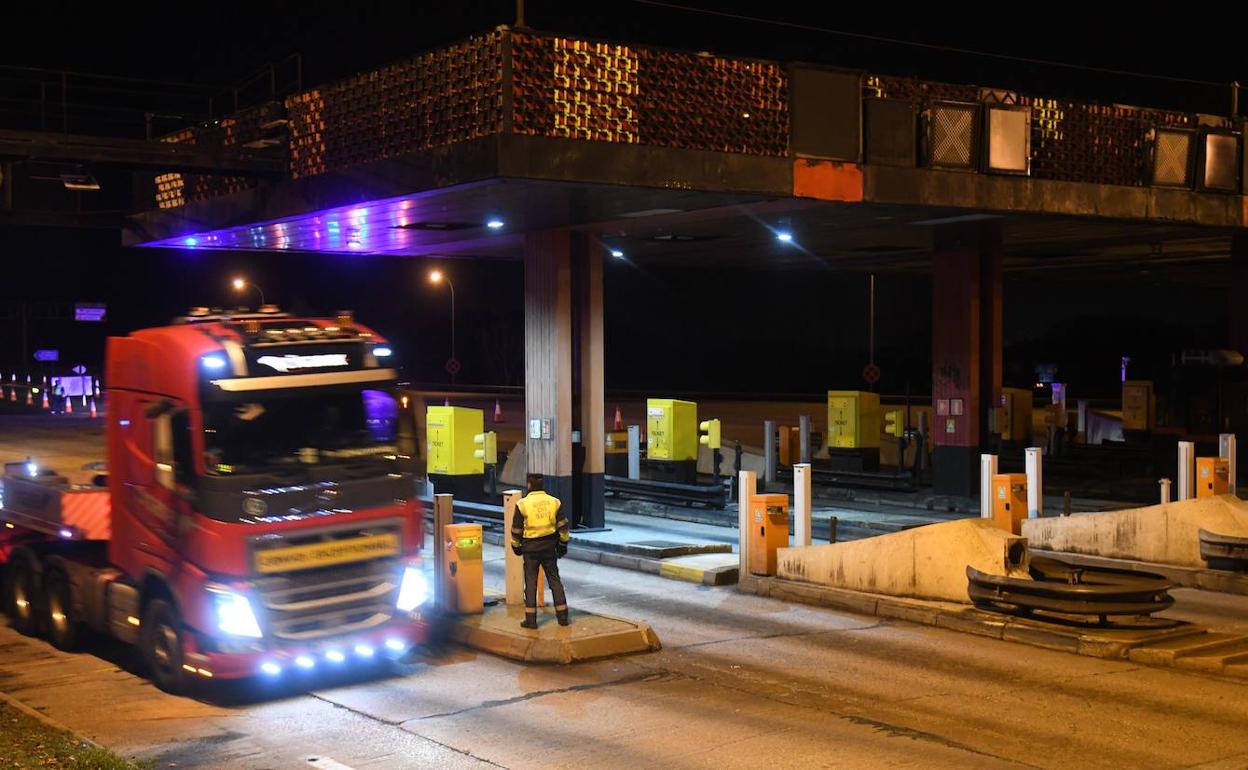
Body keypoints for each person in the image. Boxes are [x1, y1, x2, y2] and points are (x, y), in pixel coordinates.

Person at [511, 474, 570, 628]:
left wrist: (516, 546)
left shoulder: (522, 504)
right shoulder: (554, 502)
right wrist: (563, 544)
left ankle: (531, 620)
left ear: (529, 485)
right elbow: (563, 526)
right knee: (554, 580)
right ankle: (563, 617)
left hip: (530, 549)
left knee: (530, 583)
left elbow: (516, 530)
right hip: (549, 547)